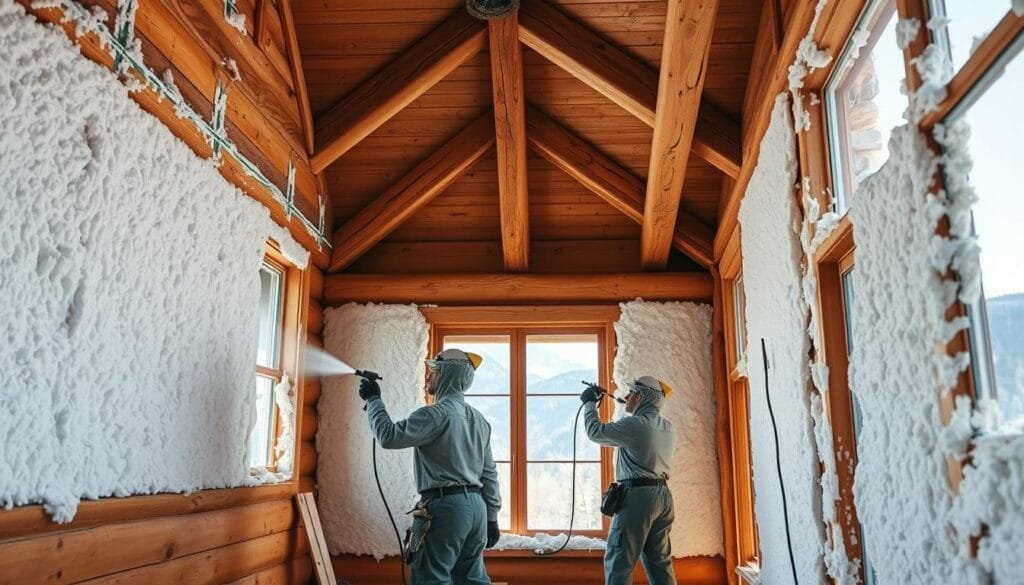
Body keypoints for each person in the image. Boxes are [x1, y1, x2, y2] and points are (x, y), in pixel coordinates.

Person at [359, 348, 502, 584]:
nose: (428, 377)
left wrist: (374, 401)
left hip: (446, 507)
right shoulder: (479, 420)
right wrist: (492, 516)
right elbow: (489, 474)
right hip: (477, 509)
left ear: (446, 375)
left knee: (431, 578)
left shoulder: (434, 415)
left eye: (433, 371)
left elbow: (388, 437)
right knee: (472, 580)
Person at [580, 375, 678, 585]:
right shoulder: (668, 427)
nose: (626, 396)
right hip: (663, 498)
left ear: (640, 397)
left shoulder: (636, 425)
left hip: (638, 498)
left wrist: (590, 404)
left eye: (631, 393)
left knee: (619, 561)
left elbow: (595, 432)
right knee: (659, 562)